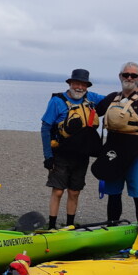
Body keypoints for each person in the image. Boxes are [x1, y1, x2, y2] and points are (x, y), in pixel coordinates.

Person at [92, 61, 138, 232]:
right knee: (113, 193)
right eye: (126, 74)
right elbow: (93, 111)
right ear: (120, 76)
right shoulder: (112, 98)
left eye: (133, 75)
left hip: (137, 154)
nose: (129, 78)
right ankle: (112, 228)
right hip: (113, 152)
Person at [40, 68, 104, 229]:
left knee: (74, 192)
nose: (79, 87)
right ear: (70, 83)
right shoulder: (57, 101)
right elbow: (46, 128)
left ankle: (69, 225)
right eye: (76, 83)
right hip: (60, 154)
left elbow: (114, 100)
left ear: (87, 86)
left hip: (82, 156)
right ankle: (52, 226)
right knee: (58, 191)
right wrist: (48, 156)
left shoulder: (91, 98)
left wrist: (137, 93)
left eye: (83, 85)